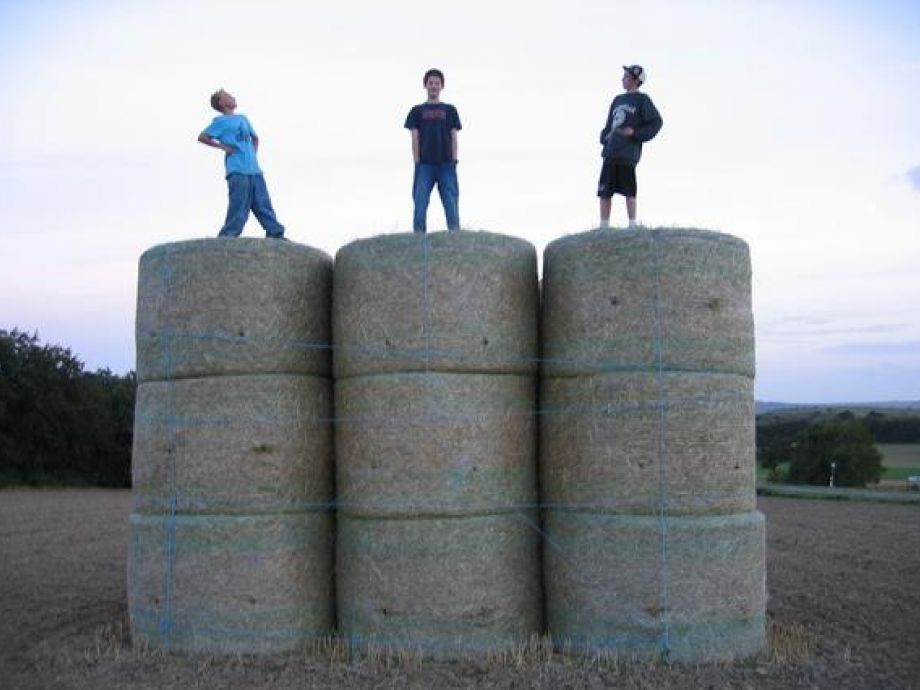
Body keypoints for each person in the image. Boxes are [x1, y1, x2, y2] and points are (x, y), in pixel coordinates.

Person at [197, 89, 287, 239]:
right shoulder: (220, 122)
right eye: (228, 96)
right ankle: (228, 235)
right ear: (221, 102)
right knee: (239, 204)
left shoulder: (243, 118)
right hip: (237, 169)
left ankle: (275, 232)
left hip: (254, 170)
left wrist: (252, 154)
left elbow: (255, 138)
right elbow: (203, 137)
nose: (233, 97)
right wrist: (223, 147)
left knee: (262, 203)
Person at [597, 65, 663, 229]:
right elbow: (609, 123)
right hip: (611, 151)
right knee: (604, 190)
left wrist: (635, 132)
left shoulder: (643, 100)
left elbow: (656, 122)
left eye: (626, 76)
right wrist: (605, 136)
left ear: (635, 80)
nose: (622, 79)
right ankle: (604, 226)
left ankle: (632, 224)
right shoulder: (617, 100)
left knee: (629, 190)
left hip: (627, 154)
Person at [404, 69, 462, 233]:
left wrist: (454, 160)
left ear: (442, 86)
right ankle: (419, 237)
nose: (434, 86)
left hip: (446, 164)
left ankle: (455, 236)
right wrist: (417, 161)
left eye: (437, 83)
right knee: (420, 201)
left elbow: (454, 135)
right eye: (431, 83)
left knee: (451, 201)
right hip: (425, 165)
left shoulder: (450, 110)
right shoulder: (417, 111)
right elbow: (414, 137)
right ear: (425, 86)